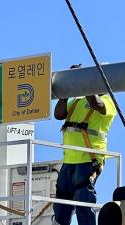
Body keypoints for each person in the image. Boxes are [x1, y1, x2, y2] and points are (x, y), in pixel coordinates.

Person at [52, 64, 117, 225]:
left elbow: (96, 104)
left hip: (89, 160)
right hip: (70, 160)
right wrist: (67, 89)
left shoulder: (109, 102)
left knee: (83, 201)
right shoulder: (78, 100)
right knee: (62, 202)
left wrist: (82, 81)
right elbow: (58, 114)